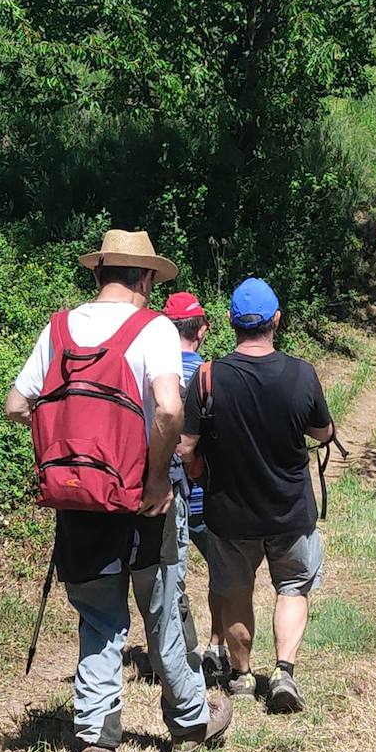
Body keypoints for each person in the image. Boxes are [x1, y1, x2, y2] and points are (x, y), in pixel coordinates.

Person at [5, 230, 231, 752]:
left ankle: (96, 741)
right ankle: (190, 722)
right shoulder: (150, 328)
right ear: (146, 278)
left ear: (99, 273)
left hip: (77, 501)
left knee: (98, 618)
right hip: (141, 501)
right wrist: (156, 481)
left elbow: (18, 404)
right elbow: (170, 410)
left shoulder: (60, 327)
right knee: (163, 615)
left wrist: (70, 448)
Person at [178, 277, 335, 713]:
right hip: (289, 511)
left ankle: (243, 676)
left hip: (229, 514)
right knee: (293, 587)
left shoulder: (208, 377)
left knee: (235, 592)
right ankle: (284, 672)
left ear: (230, 321)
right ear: (276, 321)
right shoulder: (301, 374)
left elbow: (186, 447)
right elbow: (323, 432)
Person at [160, 292, 229, 683]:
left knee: (171, 578)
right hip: (207, 492)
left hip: (165, 490)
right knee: (222, 571)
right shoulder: (211, 376)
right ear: (201, 330)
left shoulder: (152, 374)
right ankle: (216, 646)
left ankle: (173, 651)